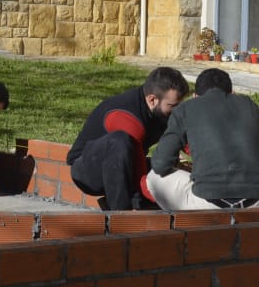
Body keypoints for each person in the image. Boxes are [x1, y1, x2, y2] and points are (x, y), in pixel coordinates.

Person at [145, 67, 259, 211]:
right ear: (232, 93)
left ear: (195, 96)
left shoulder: (186, 109)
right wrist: (256, 168)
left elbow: (160, 164)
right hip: (256, 203)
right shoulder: (249, 106)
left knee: (153, 177)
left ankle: (183, 222)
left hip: (205, 205)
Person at [67, 66, 189, 210]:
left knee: (166, 165)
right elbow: (138, 172)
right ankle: (120, 215)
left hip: (125, 161)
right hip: (88, 170)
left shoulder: (162, 109)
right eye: (173, 105)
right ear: (152, 99)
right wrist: (155, 200)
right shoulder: (126, 117)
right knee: (120, 142)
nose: (177, 110)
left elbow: (185, 138)